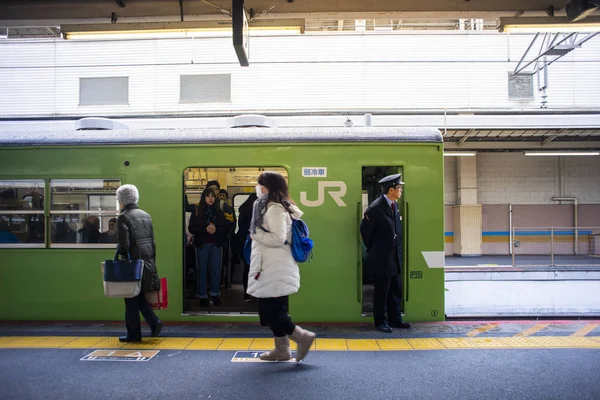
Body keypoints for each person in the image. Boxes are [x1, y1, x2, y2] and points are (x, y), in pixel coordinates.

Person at [247, 171, 316, 362]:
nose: (257, 188)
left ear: (267, 188)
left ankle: (302, 337)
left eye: (260, 184)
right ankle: (282, 350)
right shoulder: (270, 207)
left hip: (275, 267)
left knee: (271, 311)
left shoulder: (274, 209)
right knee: (273, 310)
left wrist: (255, 235)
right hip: (271, 265)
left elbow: (278, 238)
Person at [360, 173, 412, 333]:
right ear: (391, 190)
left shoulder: (394, 206)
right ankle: (380, 321)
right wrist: (376, 249)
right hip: (382, 258)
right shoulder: (376, 208)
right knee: (381, 292)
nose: (401, 190)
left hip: (395, 257)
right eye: (399, 188)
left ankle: (395, 319)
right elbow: (365, 232)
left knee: (395, 290)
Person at [115, 184, 162, 343]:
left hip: (132, 265)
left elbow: (124, 246)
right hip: (147, 262)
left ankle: (134, 334)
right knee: (138, 295)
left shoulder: (123, 217)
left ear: (122, 200)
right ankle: (154, 322)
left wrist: (119, 252)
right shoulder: (146, 215)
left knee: (130, 298)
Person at [188, 188, 228, 306]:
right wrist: (205, 230)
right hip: (202, 244)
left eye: (212, 196)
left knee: (216, 270)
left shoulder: (218, 212)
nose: (210, 198)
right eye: (208, 196)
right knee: (202, 270)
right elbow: (191, 228)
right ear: (203, 198)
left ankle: (215, 295)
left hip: (216, 244)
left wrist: (216, 229)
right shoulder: (197, 211)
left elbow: (225, 227)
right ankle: (202, 296)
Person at [235, 193, 258, 302]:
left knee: (247, 268)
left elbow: (240, 228)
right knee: (258, 268)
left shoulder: (243, 212)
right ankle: (257, 291)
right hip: (256, 243)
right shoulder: (258, 214)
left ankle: (247, 292)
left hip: (244, 242)